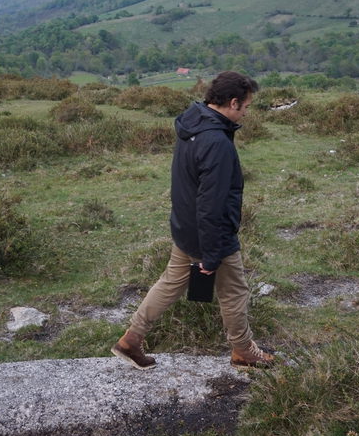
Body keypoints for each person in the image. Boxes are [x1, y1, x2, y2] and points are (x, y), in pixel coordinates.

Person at [112, 71, 275, 370]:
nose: (247, 112)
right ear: (234, 102)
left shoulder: (193, 123)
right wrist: (212, 254)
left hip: (186, 228)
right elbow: (212, 204)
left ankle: (131, 339)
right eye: (247, 106)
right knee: (235, 290)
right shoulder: (217, 142)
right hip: (211, 235)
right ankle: (243, 351)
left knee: (170, 282)